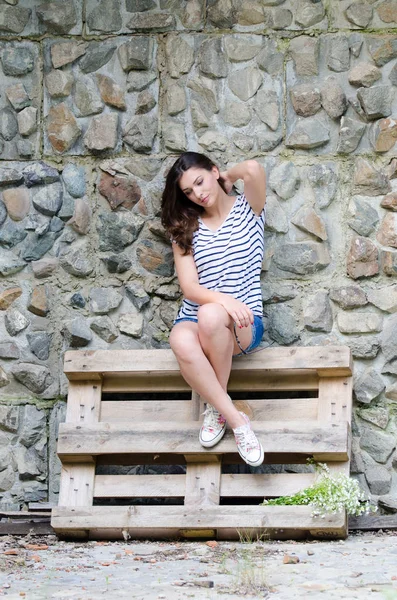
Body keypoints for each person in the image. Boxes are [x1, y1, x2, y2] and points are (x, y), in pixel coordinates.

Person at [161, 152, 266, 467]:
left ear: (213, 172)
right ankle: (234, 419)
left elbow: (253, 168)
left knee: (211, 315)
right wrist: (225, 300)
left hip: (243, 324)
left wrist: (229, 177)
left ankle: (214, 407)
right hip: (198, 318)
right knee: (180, 337)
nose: (198, 193)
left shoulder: (250, 209)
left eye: (200, 181)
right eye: (189, 192)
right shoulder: (185, 228)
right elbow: (190, 288)